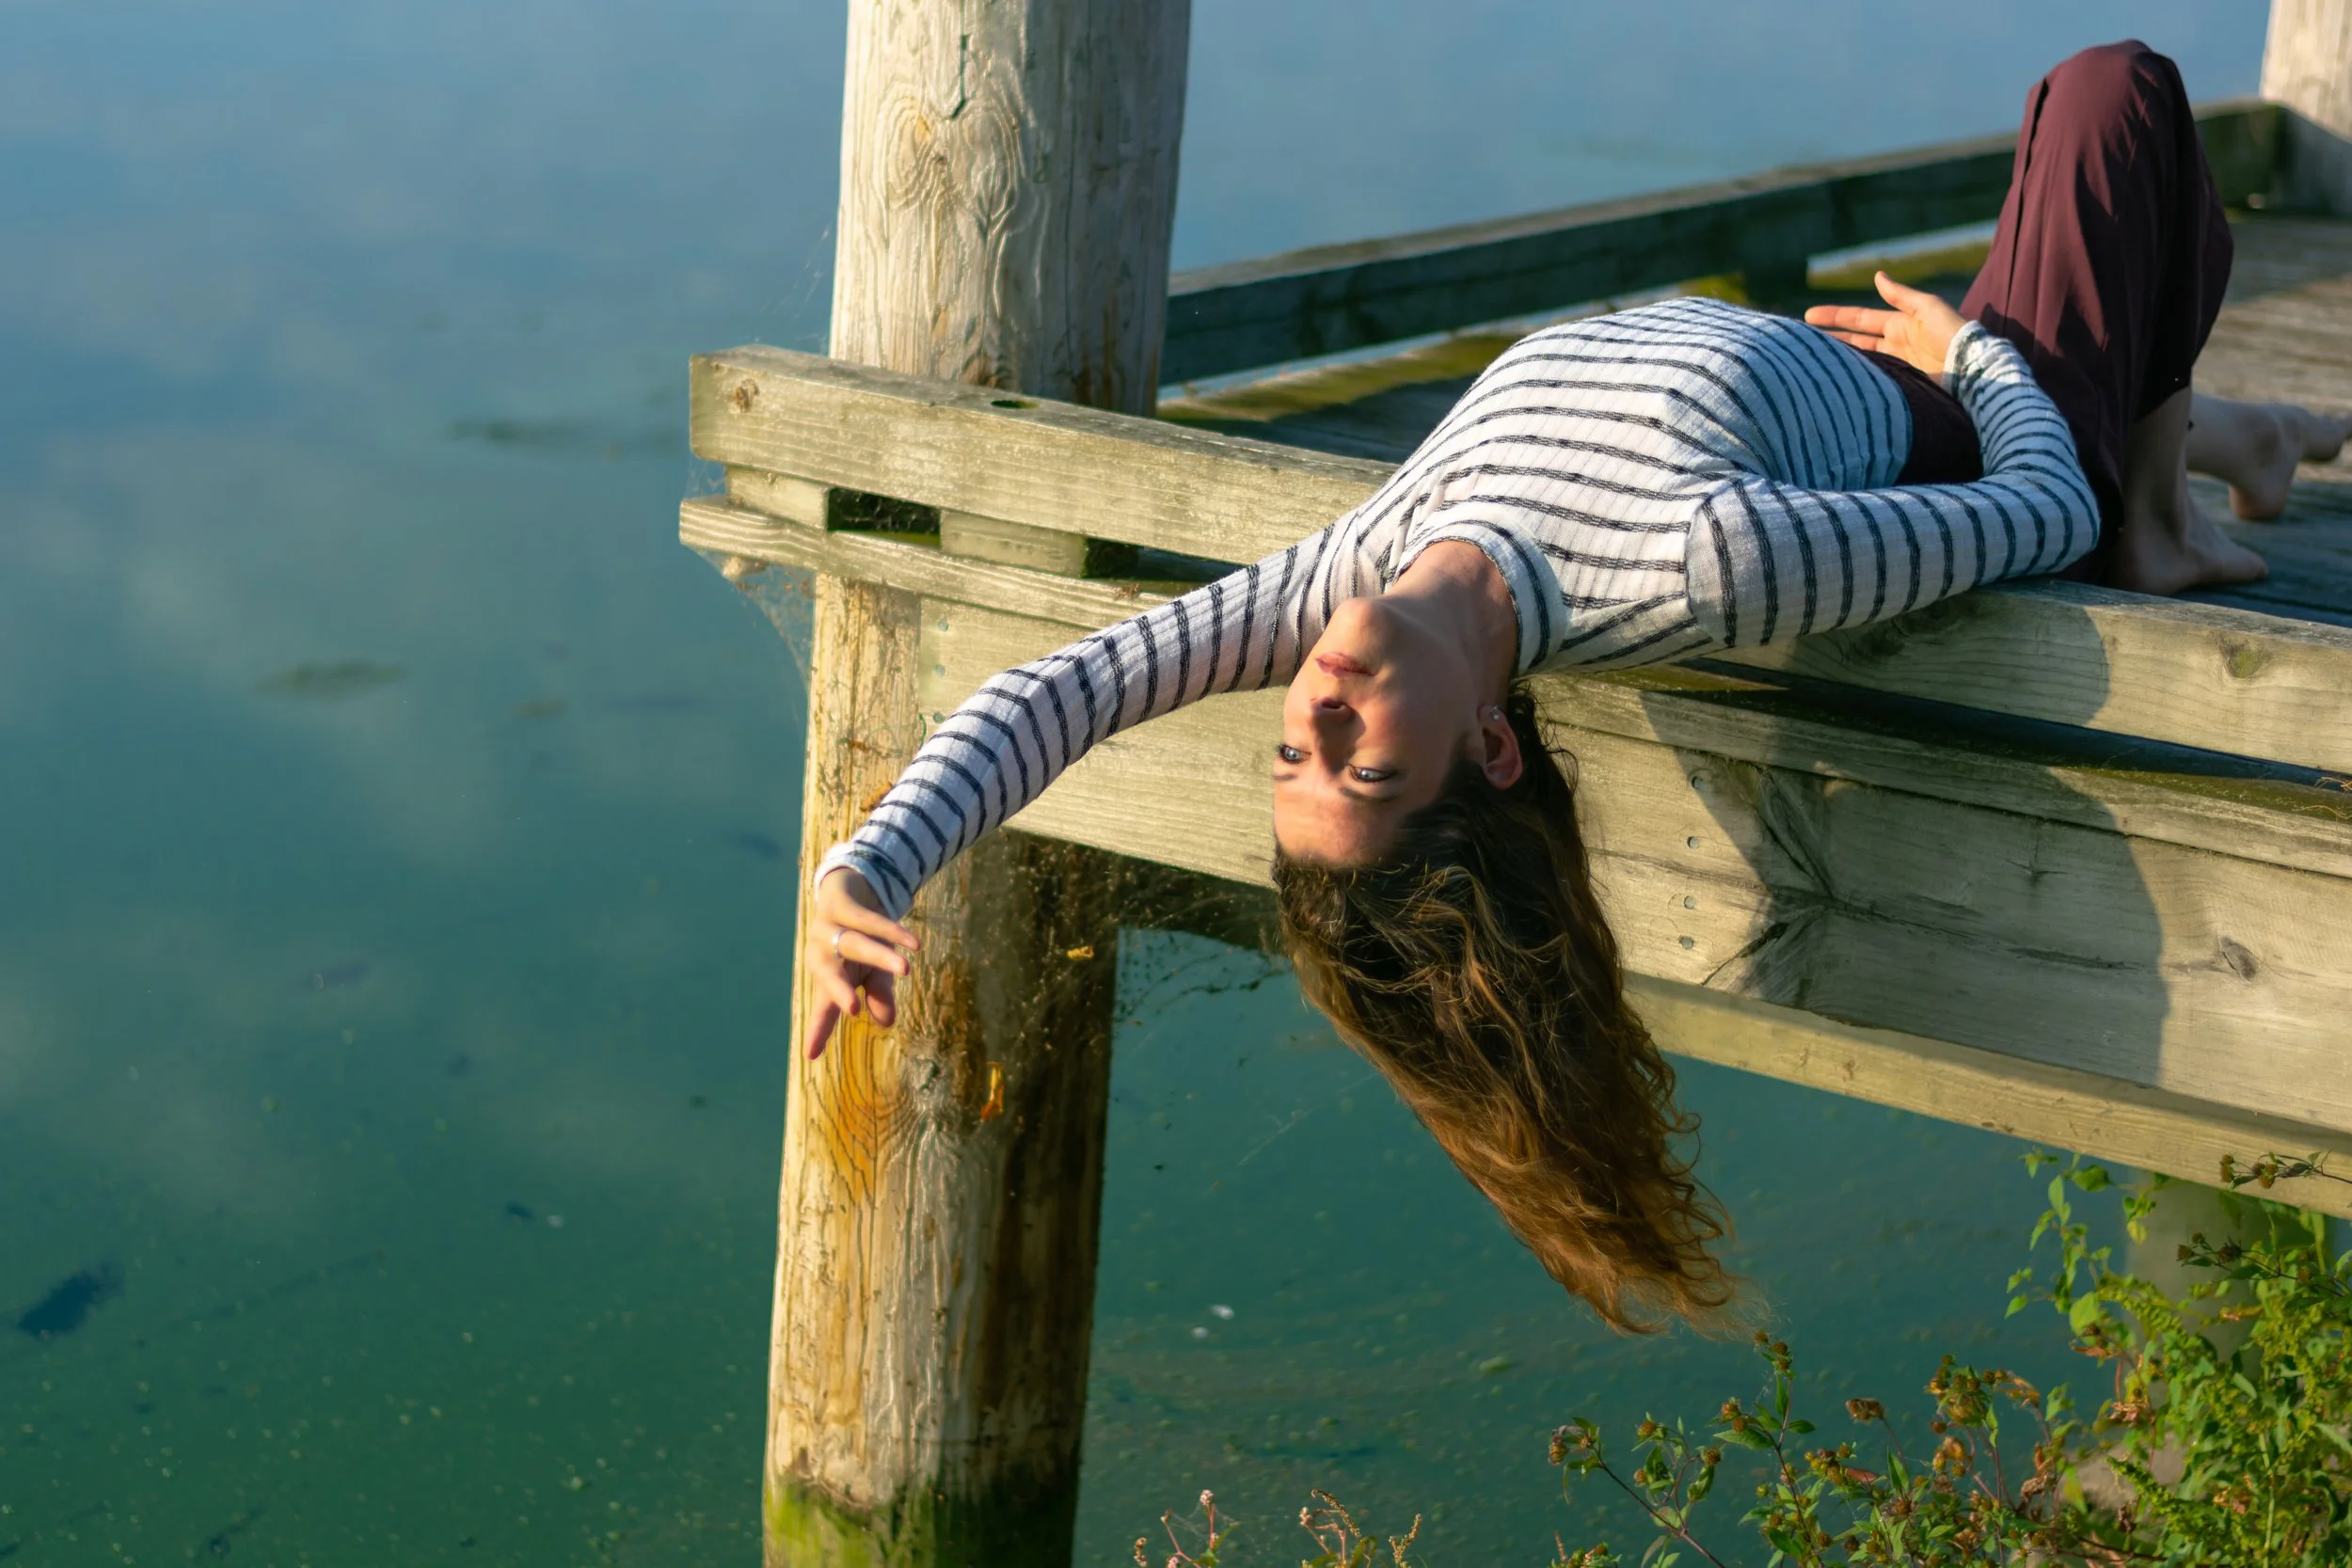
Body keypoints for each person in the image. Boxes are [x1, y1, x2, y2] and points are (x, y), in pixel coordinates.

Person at [798, 42, 2351, 1332]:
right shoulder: (1703, 566)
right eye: (1371, 771)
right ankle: (2164, 501)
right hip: (1950, 433)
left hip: (1856, 372)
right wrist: (1971, 361)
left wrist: (873, 858)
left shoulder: (1353, 565)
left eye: (1293, 754)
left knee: (2068, 257)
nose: (1321, 716)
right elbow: (2033, 515)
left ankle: (2223, 441)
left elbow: (1058, 690)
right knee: (2106, 100)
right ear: (1489, 743)